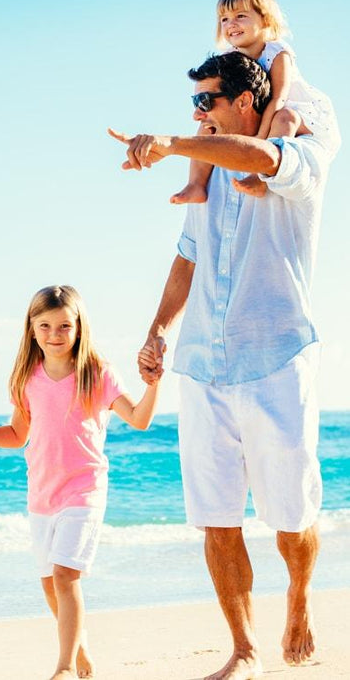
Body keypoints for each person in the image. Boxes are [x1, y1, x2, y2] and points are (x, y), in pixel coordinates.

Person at [109, 50, 337, 679]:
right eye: (194, 102)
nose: (198, 112)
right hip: (203, 369)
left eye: (208, 100)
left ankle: (297, 597)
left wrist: (175, 142)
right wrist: (158, 329)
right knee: (215, 520)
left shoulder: (300, 153)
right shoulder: (203, 182)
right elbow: (187, 256)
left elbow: (264, 159)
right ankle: (243, 648)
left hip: (277, 364)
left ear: (246, 102)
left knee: (291, 520)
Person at [0, 285, 160, 680]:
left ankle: (65, 666)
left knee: (64, 575)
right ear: (32, 329)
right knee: (49, 582)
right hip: (42, 494)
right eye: (46, 326)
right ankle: (80, 648)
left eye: (64, 326)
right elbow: (19, 435)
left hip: (84, 491)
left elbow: (139, 419)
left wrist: (153, 383)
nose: (55, 334)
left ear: (79, 327)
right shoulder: (26, 379)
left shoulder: (97, 373)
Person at [171, 0, 340, 205]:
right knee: (207, 121)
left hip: (293, 110)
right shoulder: (230, 57)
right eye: (224, 19)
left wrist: (260, 140)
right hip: (263, 108)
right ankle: (196, 184)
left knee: (285, 118)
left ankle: (259, 177)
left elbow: (279, 99)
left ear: (265, 19)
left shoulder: (277, 52)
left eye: (240, 16)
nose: (231, 24)